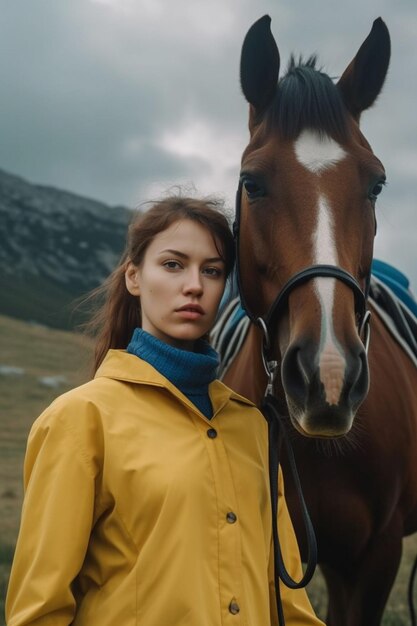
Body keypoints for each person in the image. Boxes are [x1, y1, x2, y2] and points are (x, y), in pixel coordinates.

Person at [6, 195, 324, 625]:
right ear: (134, 277)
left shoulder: (253, 426)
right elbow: (39, 612)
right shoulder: (81, 419)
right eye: (173, 265)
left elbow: (291, 608)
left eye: (211, 271)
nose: (194, 285)